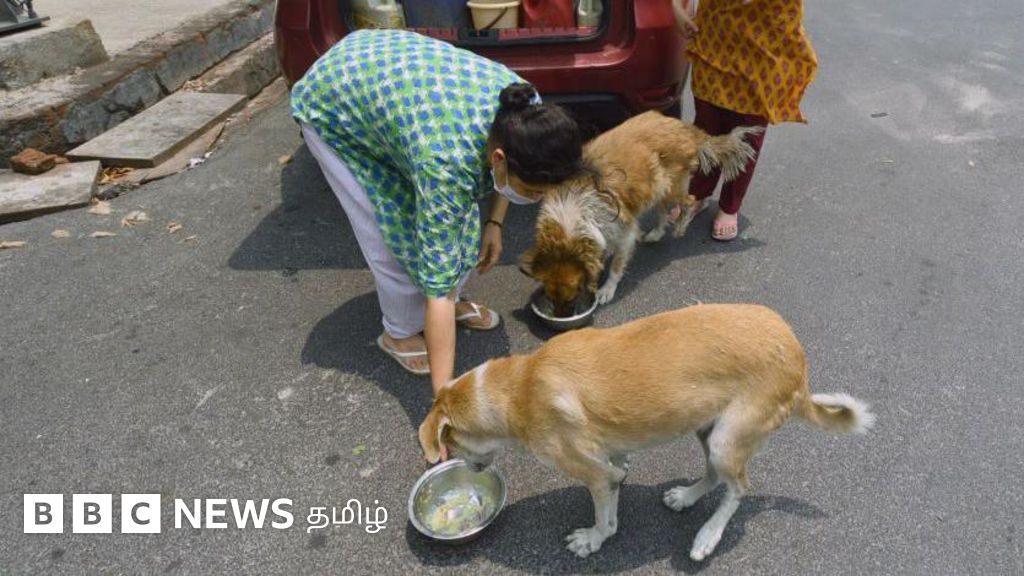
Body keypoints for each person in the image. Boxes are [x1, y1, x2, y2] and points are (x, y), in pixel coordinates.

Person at [290, 30, 582, 395]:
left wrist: (494, 222)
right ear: (499, 160)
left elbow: (503, 175)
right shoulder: (445, 163)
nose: (538, 200)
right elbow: (437, 290)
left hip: (397, 88)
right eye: (534, 191)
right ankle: (397, 333)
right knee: (388, 236)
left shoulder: (526, 107)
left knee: (452, 232)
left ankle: (446, 312)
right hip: (335, 102)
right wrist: (445, 402)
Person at [673, 0, 817, 240]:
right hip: (715, 33)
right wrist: (676, 6)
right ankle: (697, 193)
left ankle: (730, 206)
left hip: (765, 43)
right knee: (706, 125)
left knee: (748, 134)